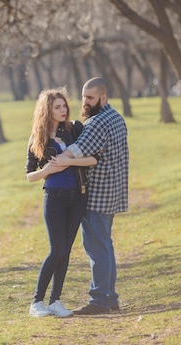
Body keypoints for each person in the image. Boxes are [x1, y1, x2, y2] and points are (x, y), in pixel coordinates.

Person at [51, 77, 129, 315]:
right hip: (113, 192)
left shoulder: (97, 122)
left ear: (102, 98)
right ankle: (110, 297)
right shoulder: (117, 117)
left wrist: (54, 160)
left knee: (96, 247)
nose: (84, 102)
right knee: (105, 245)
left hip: (97, 194)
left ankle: (100, 300)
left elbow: (75, 152)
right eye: (83, 97)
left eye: (90, 98)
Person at [25, 88, 98, 318]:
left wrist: (69, 163)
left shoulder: (75, 129)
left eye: (64, 105)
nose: (63, 110)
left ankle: (55, 301)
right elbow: (29, 175)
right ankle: (37, 302)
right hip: (54, 198)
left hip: (77, 196)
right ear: (47, 110)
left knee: (65, 251)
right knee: (56, 250)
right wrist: (46, 170)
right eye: (57, 107)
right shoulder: (38, 137)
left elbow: (93, 159)